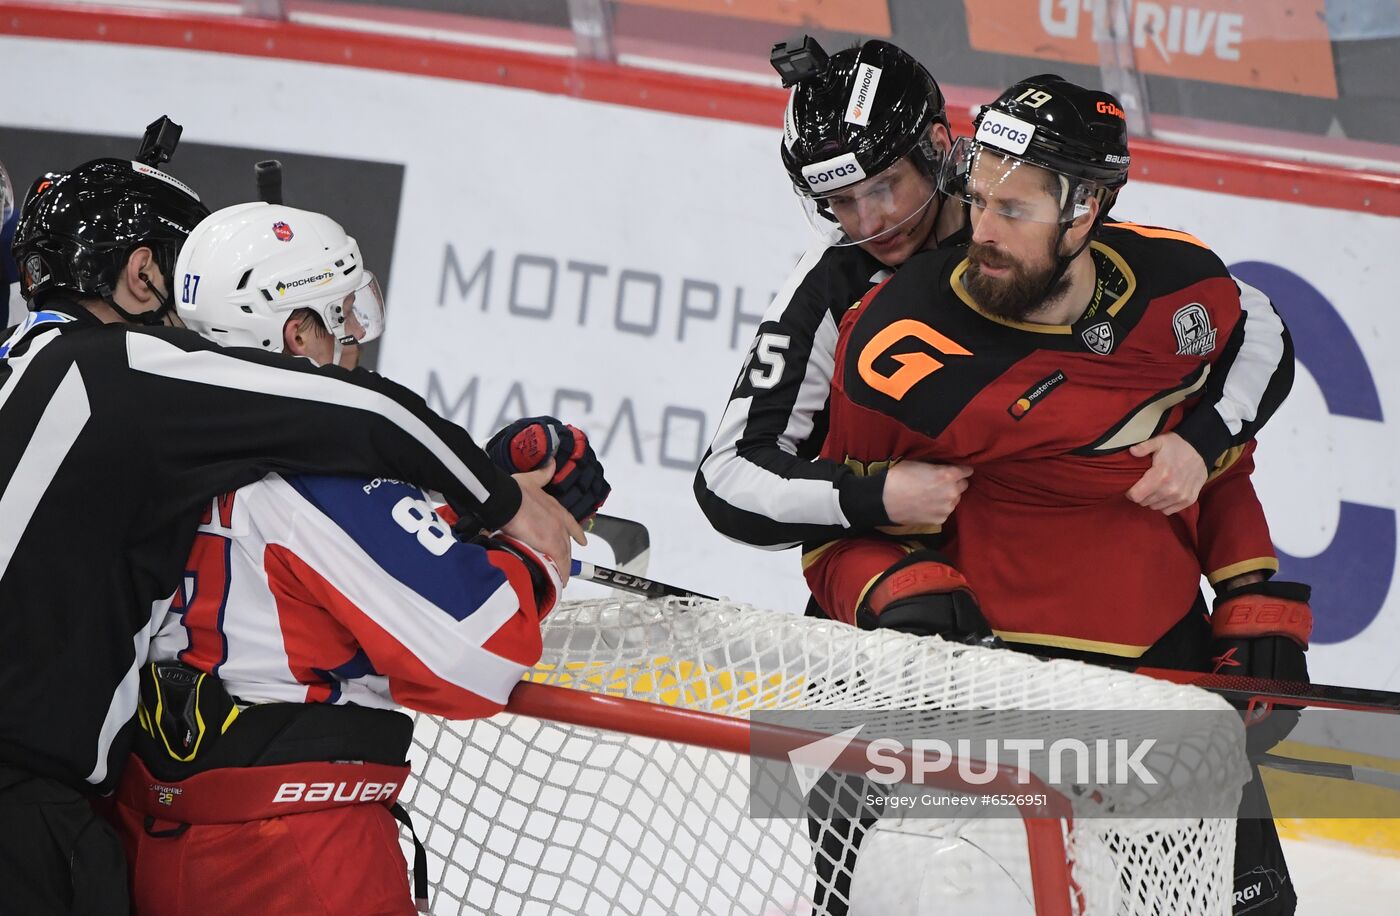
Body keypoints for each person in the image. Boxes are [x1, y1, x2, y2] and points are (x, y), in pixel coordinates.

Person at [0, 150, 581, 913]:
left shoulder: (74, 403)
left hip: (145, 837)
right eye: (342, 316)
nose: (357, 341)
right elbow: (477, 649)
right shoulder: (146, 381)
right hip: (287, 853)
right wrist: (519, 527)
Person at [804, 75, 1307, 916]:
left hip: (1159, 685)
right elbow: (833, 526)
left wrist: (1252, 596)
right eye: (978, 198)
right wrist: (895, 588)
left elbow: (1218, 462)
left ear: (1085, 209)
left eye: (1015, 209)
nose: (981, 230)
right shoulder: (897, 338)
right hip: (978, 695)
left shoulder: (1179, 290)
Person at [695, 37, 1293, 574]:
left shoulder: (1040, 226)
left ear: (937, 146)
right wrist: (873, 496)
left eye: (883, 186)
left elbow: (1255, 325)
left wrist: (1203, 440)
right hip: (904, 585)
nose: (869, 222)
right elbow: (729, 478)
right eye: (840, 202)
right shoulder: (829, 285)